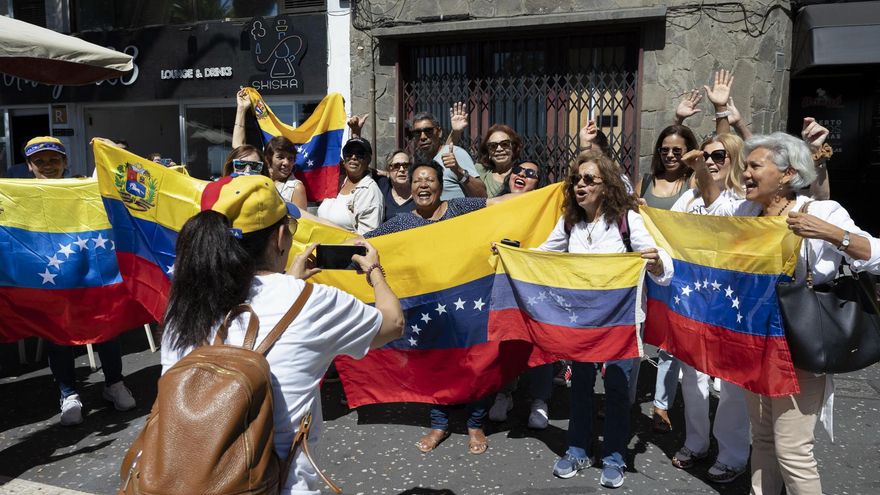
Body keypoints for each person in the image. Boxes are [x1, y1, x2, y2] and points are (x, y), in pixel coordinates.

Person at [160, 175, 404, 494]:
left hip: (183, 479)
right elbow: (392, 324)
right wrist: (375, 271)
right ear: (279, 237)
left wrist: (287, 279)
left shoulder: (184, 306)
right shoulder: (311, 301)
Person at [701, 131, 880, 495]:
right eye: (745, 165)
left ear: (786, 174)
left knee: (793, 450)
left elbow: (874, 253)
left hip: (799, 343)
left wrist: (832, 234)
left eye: (755, 166)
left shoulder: (822, 211)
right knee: (763, 438)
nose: (745, 173)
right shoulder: (744, 212)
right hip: (756, 341)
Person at [540, 150, 673, 488]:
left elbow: (662, 261)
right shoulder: (569, 221)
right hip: (582, 319)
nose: (580, 186)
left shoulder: (628, 219)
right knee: (580, 384)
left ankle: (614, 455)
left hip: (622, 320)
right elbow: (543, 254)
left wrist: (656, 263)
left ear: (607, 185)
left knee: (616, 387)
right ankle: (577, 449)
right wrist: (510, 255)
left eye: (588, 180)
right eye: (576, 180)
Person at [364, 160, 509, 454]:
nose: (423, 185)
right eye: (417, 181)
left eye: (429, 180)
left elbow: (501, 204)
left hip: (469, 301)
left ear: (441, 186)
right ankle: (439, 424)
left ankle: (475, 423)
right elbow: (363, 243)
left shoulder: (459, 209)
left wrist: (547, 197)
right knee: (435, 364)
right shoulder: (402, 223)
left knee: (476, 362)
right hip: (429, 307)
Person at [24, 136, 136, 426]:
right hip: (49, 277)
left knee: (106, 327)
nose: (48, 166)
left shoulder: (81, 186)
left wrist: (108, 152)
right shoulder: (18, 196)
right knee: (58, 334)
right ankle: (69, 394)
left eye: (53, 160)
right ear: (29, 165)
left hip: (88, 271)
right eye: (40, 161)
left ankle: (114, 383)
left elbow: (107, 186)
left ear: (64, 162)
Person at [668, 133, 751, 483]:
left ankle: (733, 454)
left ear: (734, 159)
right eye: (706, 155)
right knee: (693, 376)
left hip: (733, 302)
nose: (712, 161)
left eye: (719, 155)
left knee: (732, 381)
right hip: (694, 298)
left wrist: (701, 172)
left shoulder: (742, 201)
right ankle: (696, 441)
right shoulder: (689, 198)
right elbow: (667, 230)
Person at [636, 123, 698, 434]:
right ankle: (627, 395)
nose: (671, 155)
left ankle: (661, 404)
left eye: (678, 150)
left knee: (669, 340)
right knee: (635, 330)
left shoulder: (694, 182)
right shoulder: (646, 180)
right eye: (665, 150)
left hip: (678, 270)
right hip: (643, 267)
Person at [233, 88, 307, 210]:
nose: (286, 163)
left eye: (291, 158)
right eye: (280, 157)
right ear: (268, 159)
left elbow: (302, 224)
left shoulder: (295, 187)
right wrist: (241, 109)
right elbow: (238, 148)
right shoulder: (257, 174)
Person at [408, 111, 486, 199]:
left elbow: (482, 194)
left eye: (428, 131)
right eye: (417, 133)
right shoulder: (425, 163)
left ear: (439, 132)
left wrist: (459, 171)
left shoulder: (455, 153)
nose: (423, 137)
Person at [317, 137, 384, 235]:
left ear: (368, 160)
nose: (353, 157)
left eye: (360, 153)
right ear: (344, 159)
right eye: (349, 153)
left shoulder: (370, 192)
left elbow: (366, 239)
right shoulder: (336, 183)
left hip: (344, 249)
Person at [474, 124, 522, 197]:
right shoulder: (481, 171)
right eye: (493, 146)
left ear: (513, 148)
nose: (499, 149)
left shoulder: (522, 174)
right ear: (488, 151)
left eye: (505, 144)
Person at [376, 149, 415, 221]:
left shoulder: (419, 192)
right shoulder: (382, 185)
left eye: (406, 166)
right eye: (396, 166)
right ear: (388, 169)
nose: (402, 169)